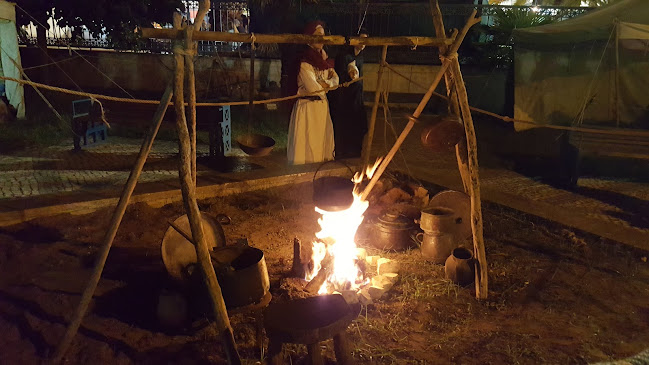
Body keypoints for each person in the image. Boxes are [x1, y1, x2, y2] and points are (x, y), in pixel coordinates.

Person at [287, 21, 339, 165]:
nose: (321, 39)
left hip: (321, 108)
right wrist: (324, 86)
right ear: (309, 37)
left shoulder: (325, 61)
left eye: (322, 35)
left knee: (320, 144)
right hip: (307, 109)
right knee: (306, 146)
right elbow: (313, 88)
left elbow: (336, 80)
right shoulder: (304, 62)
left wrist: (326, 84)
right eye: (317, 35)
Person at [329, 28, 369, 159]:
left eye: (365, 40)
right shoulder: (344, 56)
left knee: (357, 126)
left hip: (356, 97)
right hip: (344, 98)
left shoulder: (361, 57)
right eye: (360, 39)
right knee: (344, 126)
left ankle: (354, 152)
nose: (363, 43)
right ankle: (342, 153)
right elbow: (341, 77)